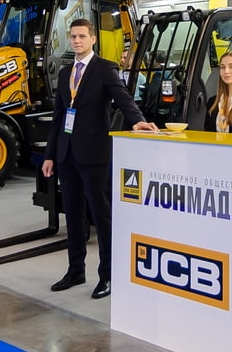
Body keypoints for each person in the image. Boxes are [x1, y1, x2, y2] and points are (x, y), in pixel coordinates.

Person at [42, 18, 158, 299]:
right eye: (73, 36)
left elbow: (123, 97)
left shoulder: (105, 68)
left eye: (82, 36)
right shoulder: (65, 73)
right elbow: (58, 117)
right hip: (66, 154)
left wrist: (137, 120)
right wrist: (50, 155)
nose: (77, 41)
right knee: (73, 215)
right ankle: (75, 271)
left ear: (93, 39)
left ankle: (107, 275)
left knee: (101, 216)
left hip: (94, 154)